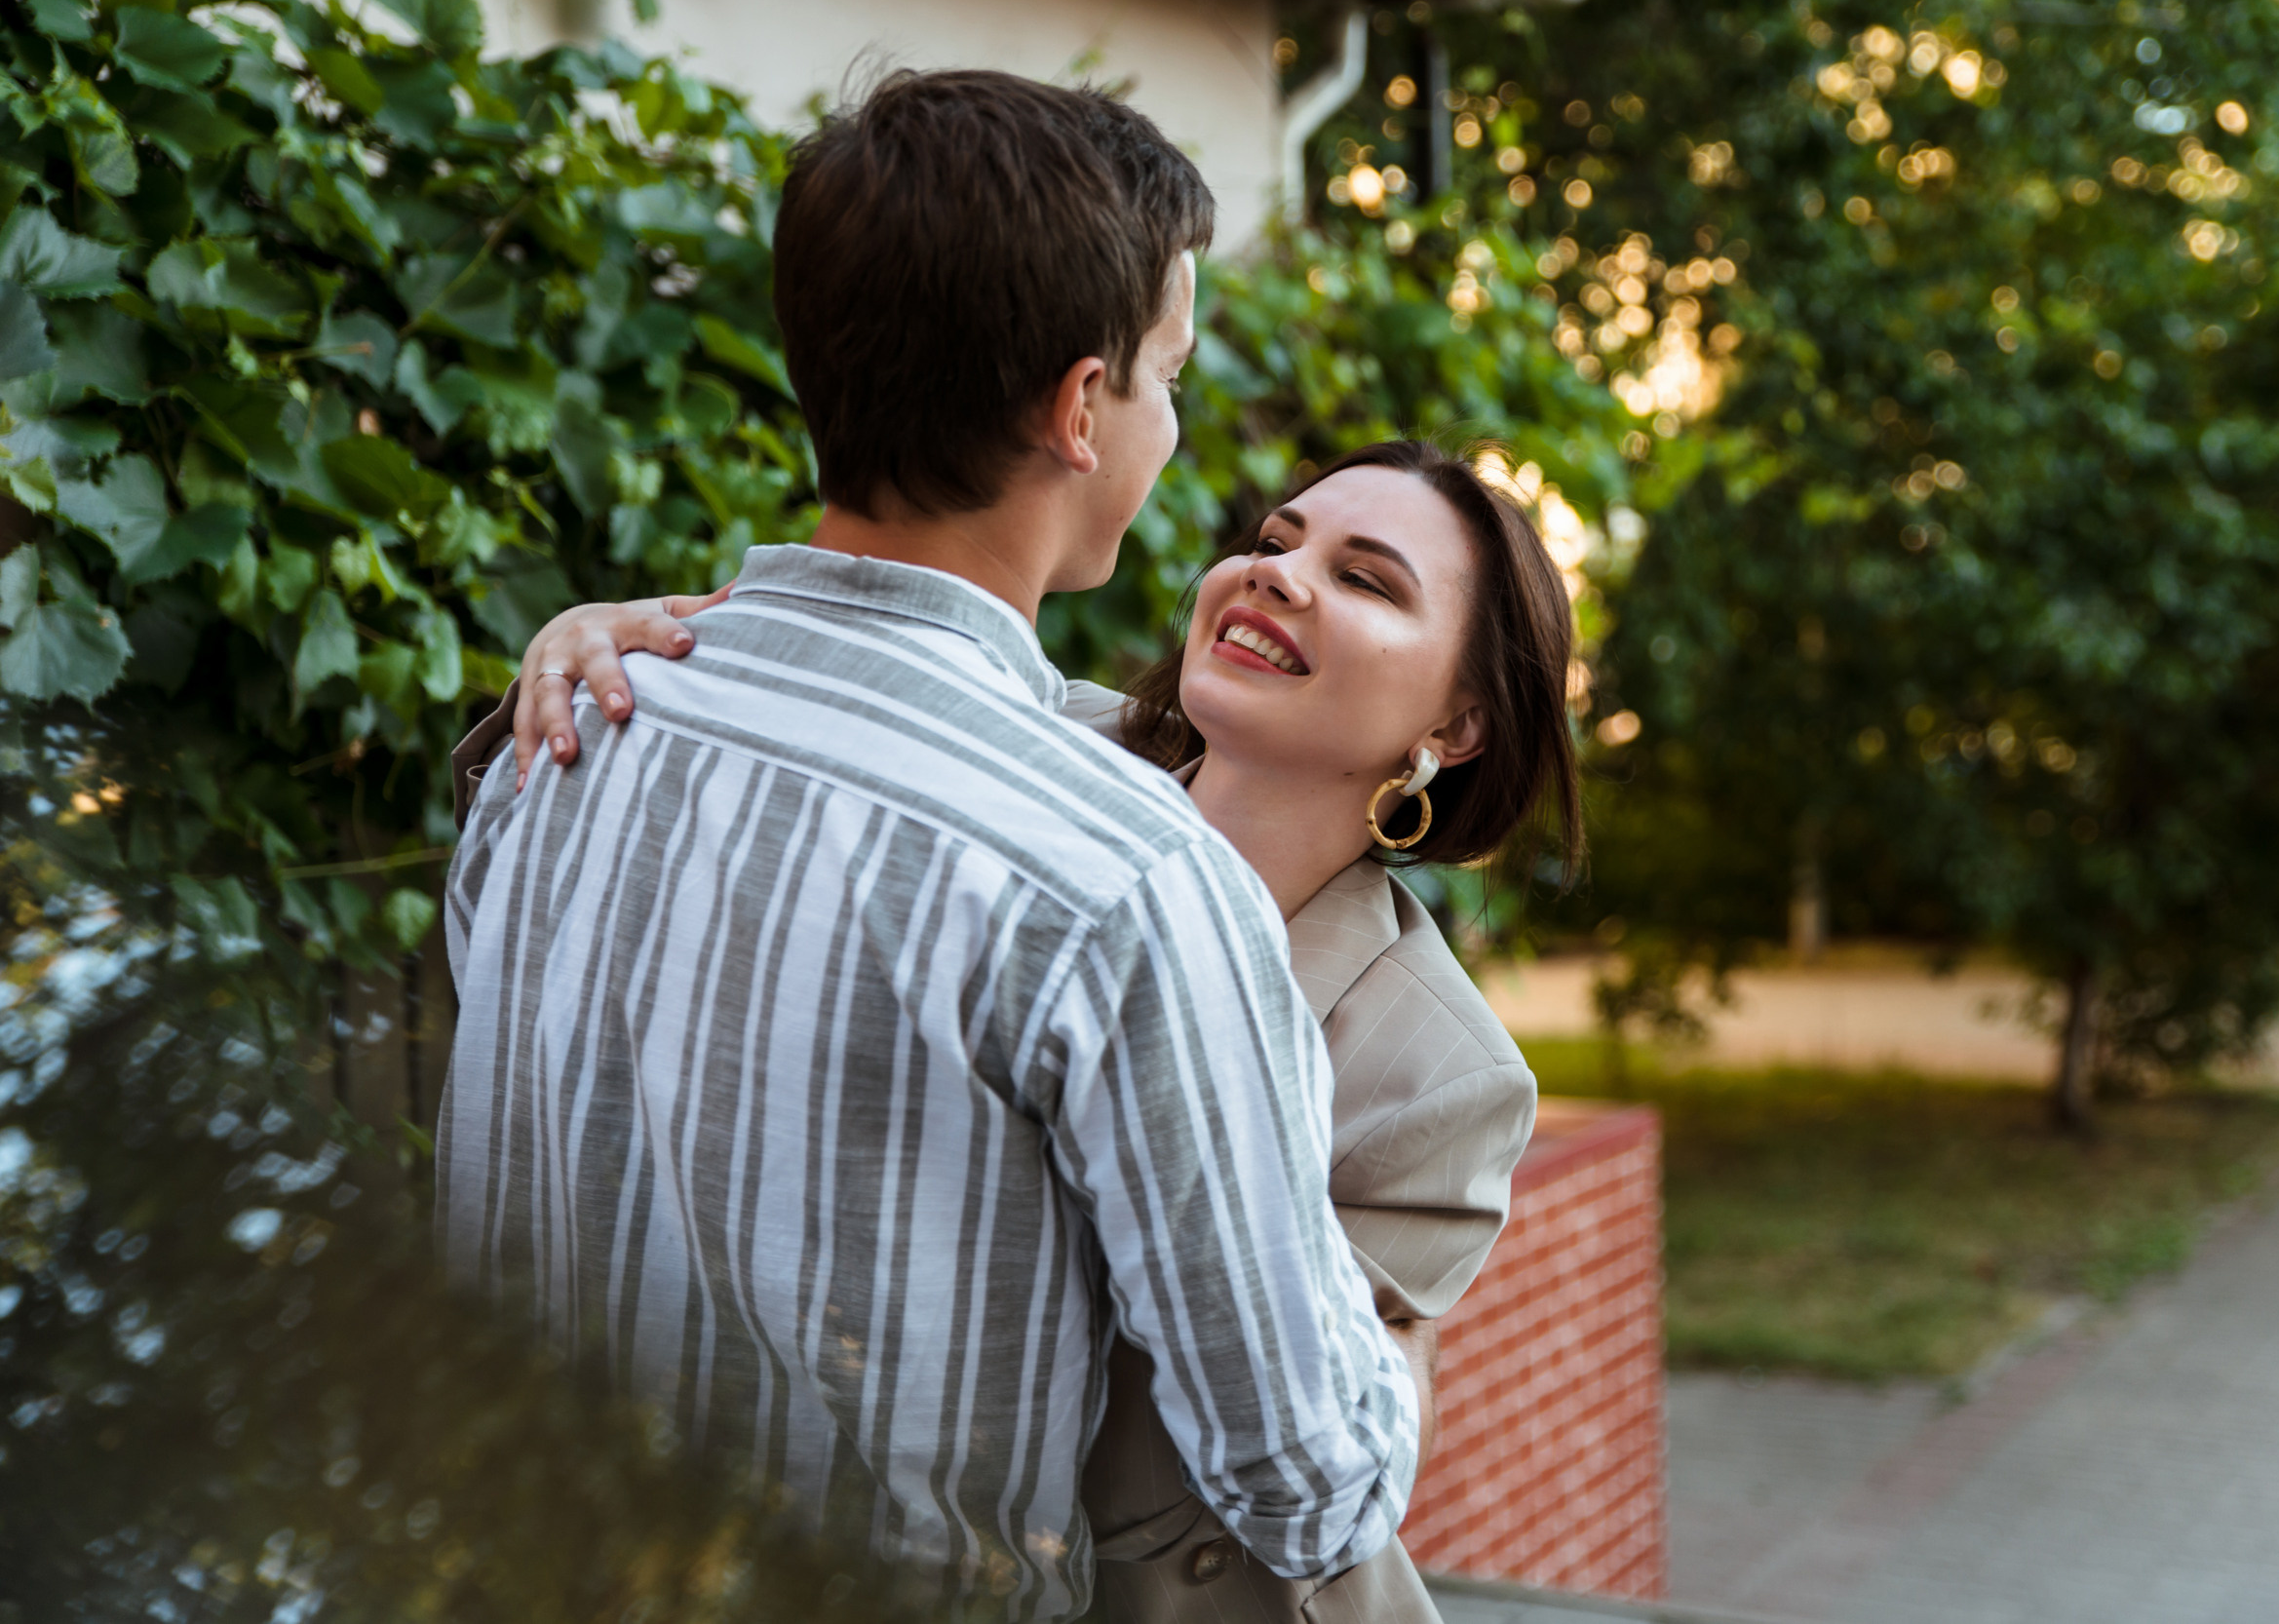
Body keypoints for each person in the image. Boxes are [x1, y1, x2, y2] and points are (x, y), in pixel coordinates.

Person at [435, 70, 1421, 1624]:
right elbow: (1314, 1484)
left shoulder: (566, 732)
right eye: (1166, 376)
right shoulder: (1126, 883)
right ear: (1077, 408)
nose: (1174, 426)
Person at [463, 438, 1584, 1622]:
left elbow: (1313, 1449)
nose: (1278, 573)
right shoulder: (1015, 746)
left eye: (1366, 579)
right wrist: (596, 637)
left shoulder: (1440, 1078)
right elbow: (807, 692)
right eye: (1272, 540)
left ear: (1456, 726)